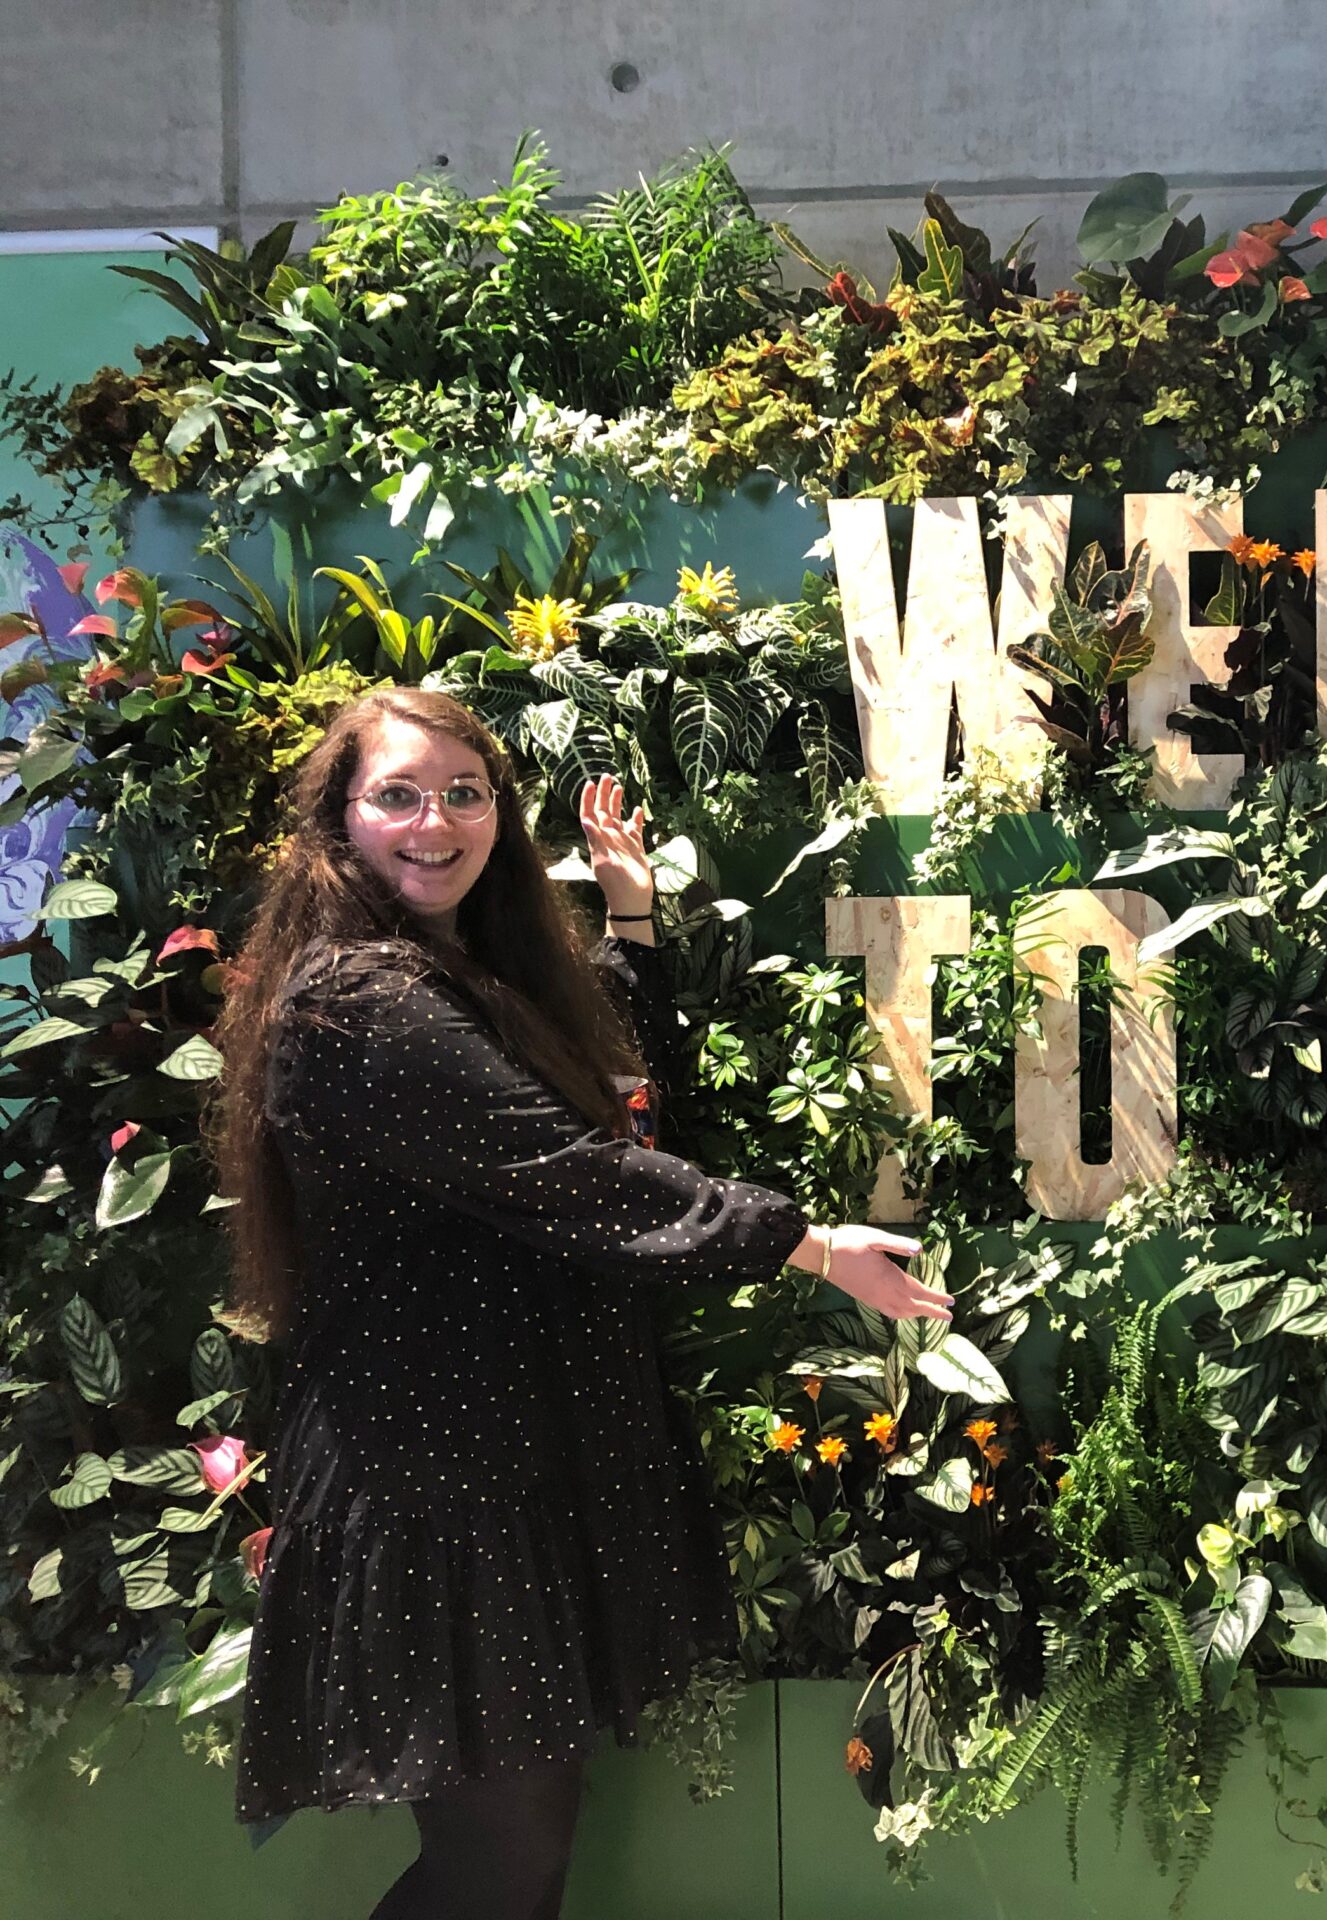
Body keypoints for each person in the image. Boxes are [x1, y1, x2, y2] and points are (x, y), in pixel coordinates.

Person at [211, 686, 949, 1919]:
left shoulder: (442, 973)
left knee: (512, 1857)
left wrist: (631, 925)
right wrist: (807, 1244)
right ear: (339, 818)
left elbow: (587, 1099)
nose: (434, 822)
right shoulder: (358, 1004)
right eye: (397, 794)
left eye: (464, 793)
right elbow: (570, 1174)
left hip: (494, 1471)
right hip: (436, 1490)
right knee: (502, 1867)